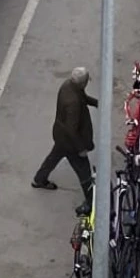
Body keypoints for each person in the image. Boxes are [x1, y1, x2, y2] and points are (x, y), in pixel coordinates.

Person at [32, 67, 97, 211]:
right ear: (82, 83)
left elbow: (83, 98)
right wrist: (80, 149)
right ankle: (91, 202)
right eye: (86, 81)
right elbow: (71, 129)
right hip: (70, 143)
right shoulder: (73, 102)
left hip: (61, 135)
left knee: (54, 156)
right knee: (84, 171)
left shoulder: (68, 85)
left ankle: (39, 179)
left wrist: (97, 103)